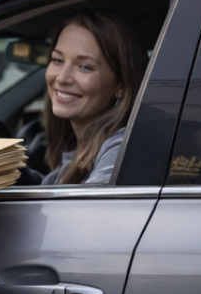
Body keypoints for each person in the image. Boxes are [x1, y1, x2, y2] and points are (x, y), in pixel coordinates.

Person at [36, 9, 148, 185]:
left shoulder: (120, 149)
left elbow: (81, 212)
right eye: (58, 60)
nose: (62, 78)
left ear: (122, 85)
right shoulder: (78, 149)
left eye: (85, 66)